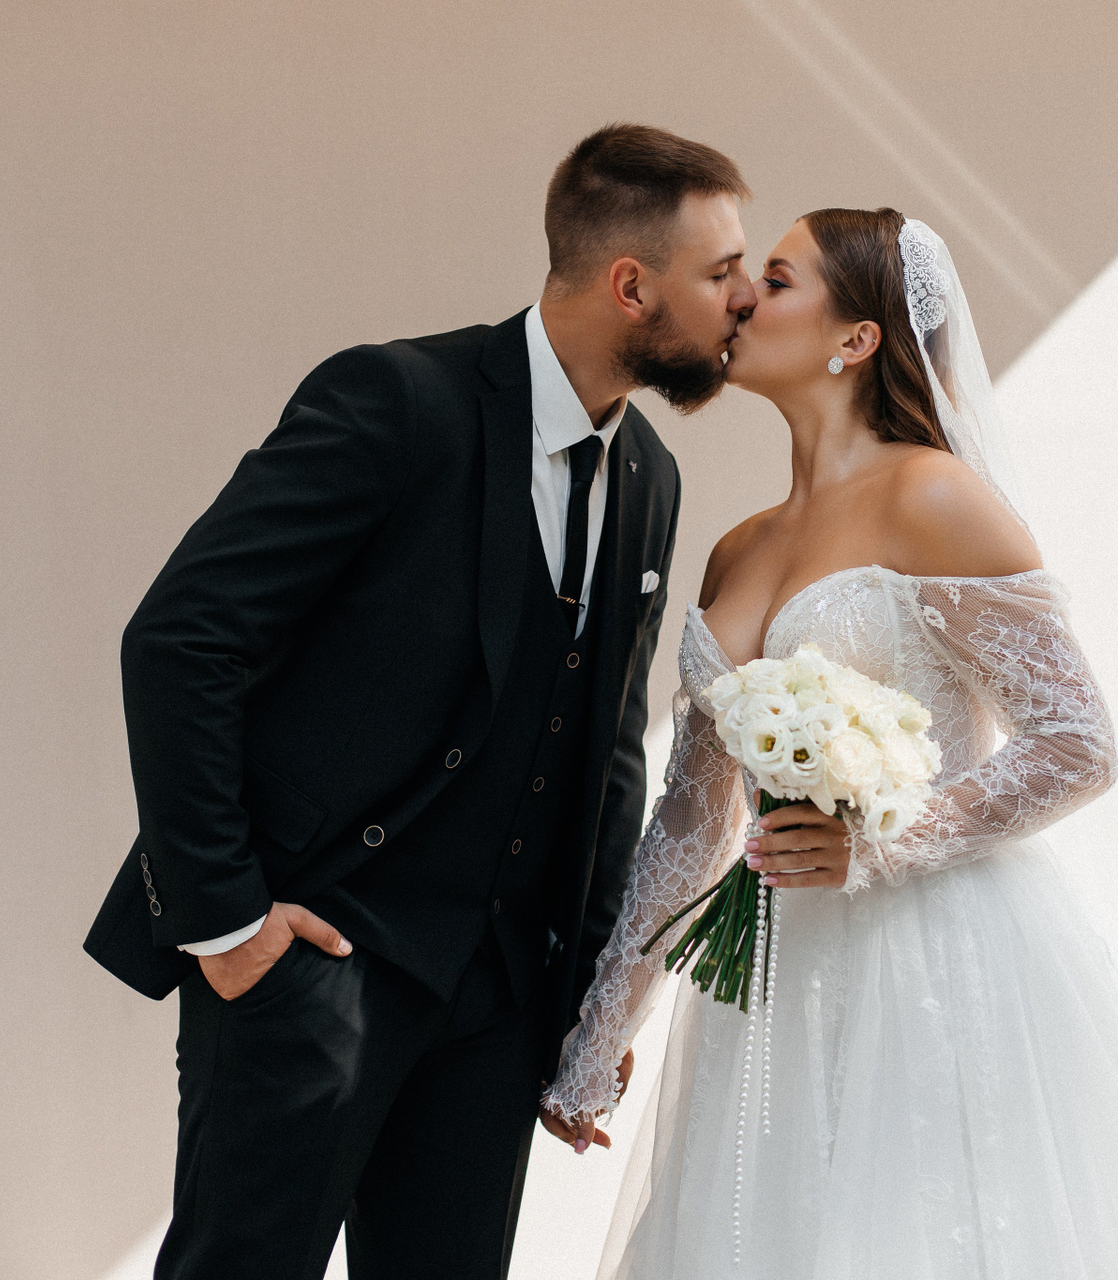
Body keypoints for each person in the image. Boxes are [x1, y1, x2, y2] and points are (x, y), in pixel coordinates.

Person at [81, 122, 757, 1280]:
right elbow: (180, 639)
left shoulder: (650, 473)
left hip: (496, 1005)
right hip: (312, 961)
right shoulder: (399, 400)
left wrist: (583, 1006)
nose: (745, 297)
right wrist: (232, 927)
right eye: (723, 271)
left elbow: (604, 756)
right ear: (631, 285)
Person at [543, 208, 1118, 1279]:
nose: (740, 300)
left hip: (929, 960)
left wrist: (880, 840)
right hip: (777, 984)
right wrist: (599, 1039)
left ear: (856, 337)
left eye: (775, 279)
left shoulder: (933, 495)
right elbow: (691, 822)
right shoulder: (738, 547)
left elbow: (1076, 741)